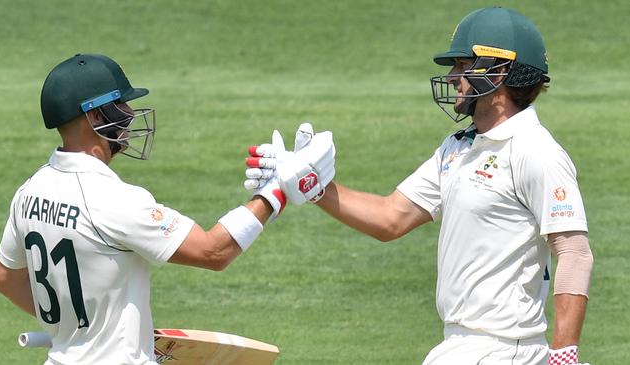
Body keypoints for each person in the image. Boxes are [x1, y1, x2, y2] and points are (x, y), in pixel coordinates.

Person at [245, 7, 592, 365]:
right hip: (459, 346)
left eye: (462, 65)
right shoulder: (457, 147)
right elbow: (390, 217)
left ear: (498, 71)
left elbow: (574, 254)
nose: (454, 76)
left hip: (508, 350)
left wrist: (563, 355)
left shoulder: (535, 151)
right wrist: (311, 184)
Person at [0, 53, 294, 365]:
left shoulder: (29, 191)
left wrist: (77, 329)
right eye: (121, 104)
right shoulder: (113, 199)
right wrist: (277, 192)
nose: (130, 113)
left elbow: (5, 279)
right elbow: (213, 252)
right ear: (95, 116)